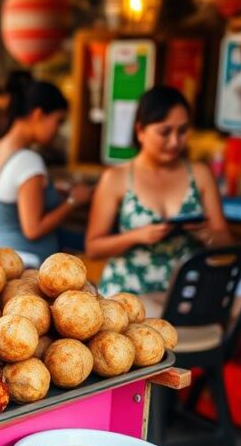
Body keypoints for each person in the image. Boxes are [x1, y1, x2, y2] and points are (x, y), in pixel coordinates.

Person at [86, 86, 233, 310]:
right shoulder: (116, 178)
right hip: (127, 294)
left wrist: (207, 235)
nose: (175, 141)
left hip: (185, 293)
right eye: (165, 132)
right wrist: (136, 236)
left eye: (182, 131)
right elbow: (94, 248)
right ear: (140, 131)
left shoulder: (200, 174)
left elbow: (225, 241)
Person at [0, 79, 91, 265]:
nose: (58, 130)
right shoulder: (28, 161)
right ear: (38, 114)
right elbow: (33, 229)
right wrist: (73, 201)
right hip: (29, 264)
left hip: (0, 258)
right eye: (58, 121)